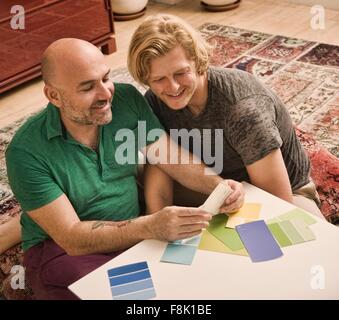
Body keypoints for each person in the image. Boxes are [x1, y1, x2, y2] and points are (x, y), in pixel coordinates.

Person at [4, 38, 244, 299]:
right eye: (87, 87)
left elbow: (170, 157)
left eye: (106, 78)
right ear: (54, 96)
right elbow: (72, 238)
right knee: (133, 296)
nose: (106, 94)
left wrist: (218, 186)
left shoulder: (126, 99)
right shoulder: (25, 153)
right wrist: (150, 226)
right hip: (65, 251)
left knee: (206, 276)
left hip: (133, 230)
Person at [127, 14, 325, 219]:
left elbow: (279, 203)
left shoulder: (243, 109)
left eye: (180, 73)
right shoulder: (154, 100)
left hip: (286, 194)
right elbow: (161, 163)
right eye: (159, 79)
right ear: (146, 78)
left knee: (306, 243)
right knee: (141, 178)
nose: (173, 87)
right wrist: (156, 226)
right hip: (214, 186)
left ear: (197, 60)